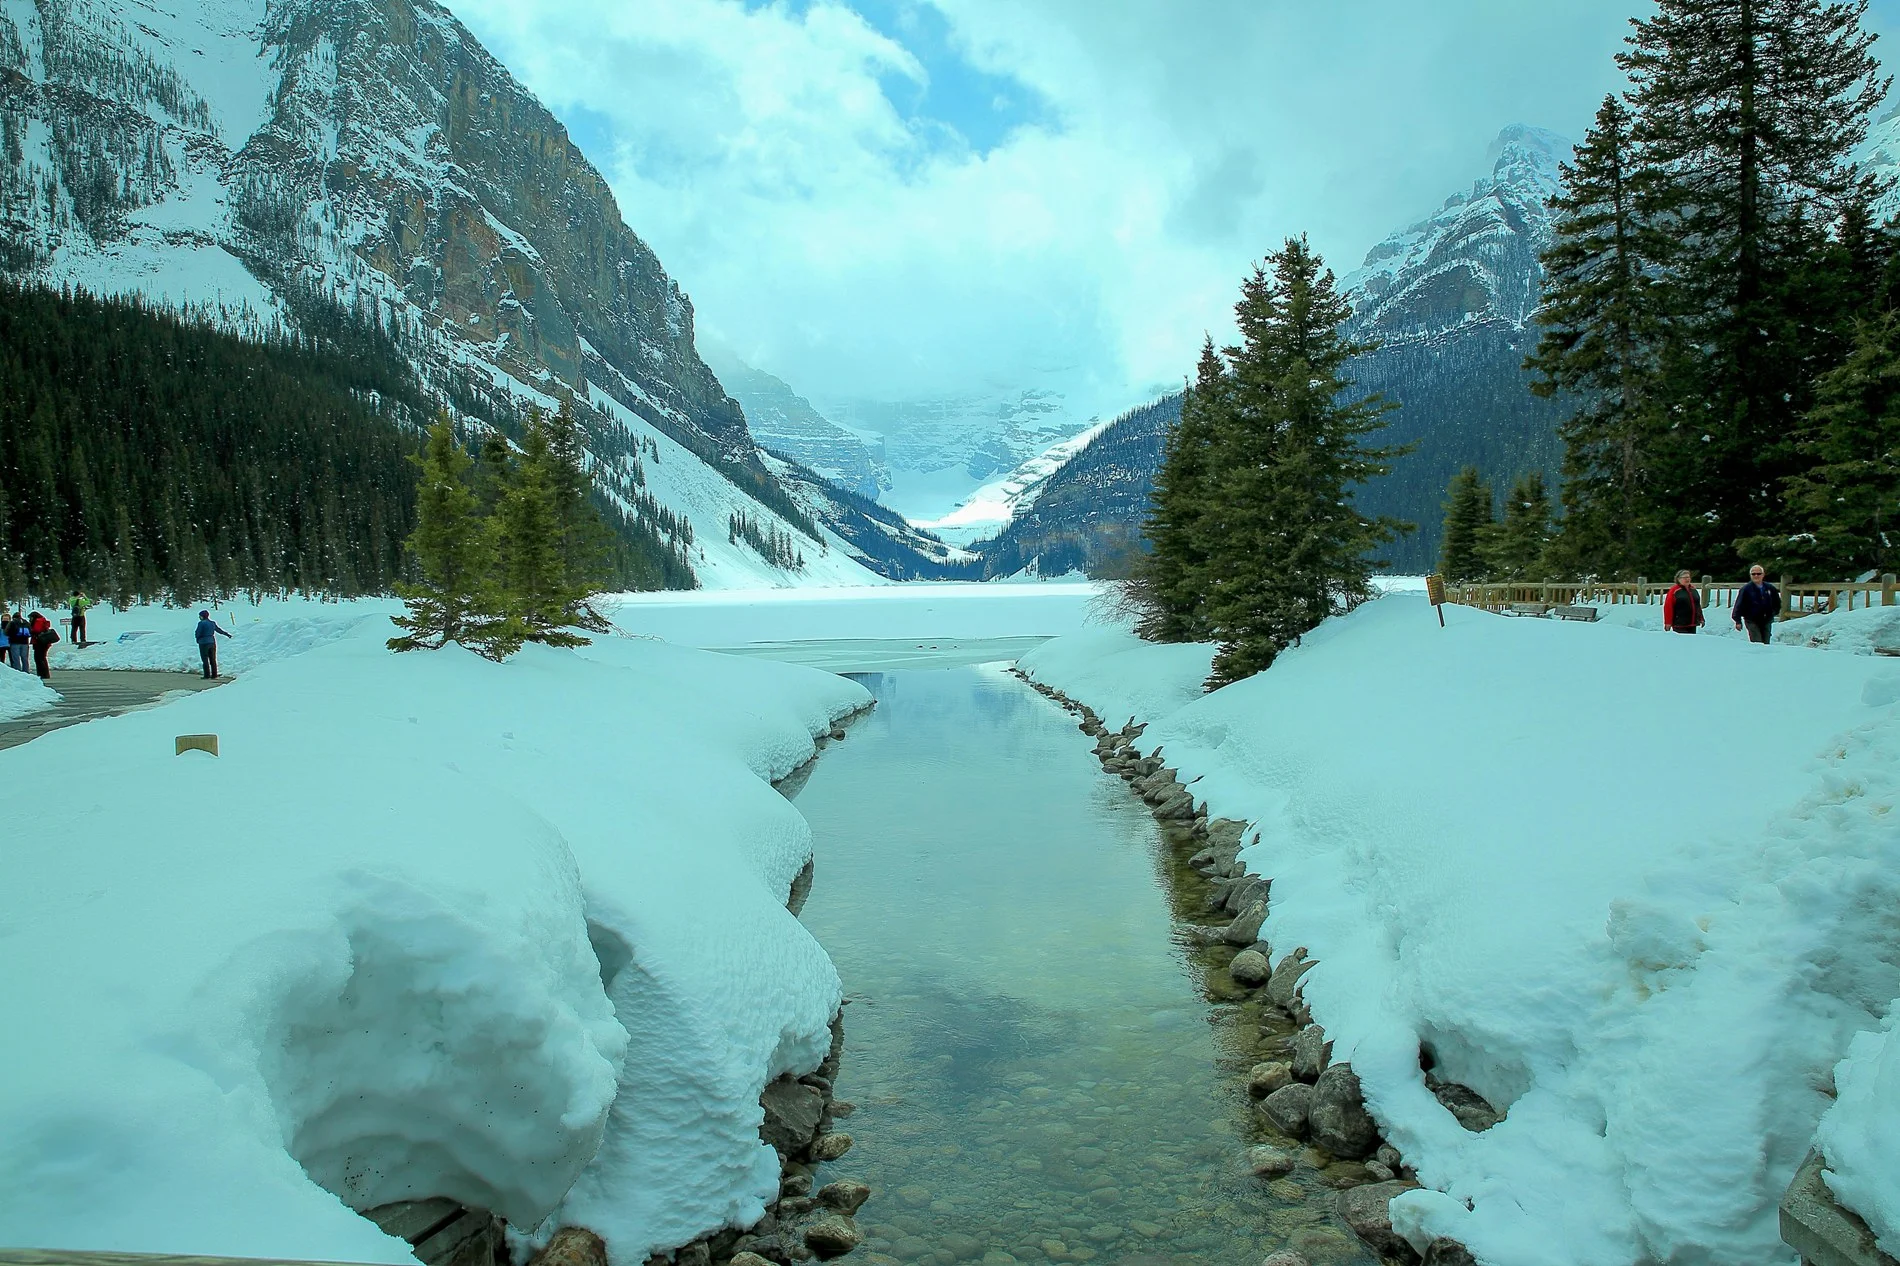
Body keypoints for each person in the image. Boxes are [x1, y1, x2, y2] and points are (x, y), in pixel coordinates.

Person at [1731, 565, 1782, 644]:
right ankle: (1757, 655)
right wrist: (1737, 621)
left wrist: (1773, 613)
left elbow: (1777, 602)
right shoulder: (1746, 589)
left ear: (1763, 575)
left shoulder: (1769, 588)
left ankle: (1765, 656)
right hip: (1751, 620)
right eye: (1753, 574)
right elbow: (1739, 605)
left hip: (1766, 620)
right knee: (1757, 642)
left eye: (1758, 574)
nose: (1756, 576)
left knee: (1766, 642)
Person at [1663, 569, 1705, 634]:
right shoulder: (1674, 590)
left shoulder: (1693, 589)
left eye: (1688, 577)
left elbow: (1697, 605)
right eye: (1684, 577)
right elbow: (1668, 607)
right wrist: (1668, 623)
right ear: (1678, 579)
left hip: (1692, 623)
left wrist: (1701, 618)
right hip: (1679, 624)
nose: (1687, 579)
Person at [195, 610, 233, 679]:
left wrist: (197, 639)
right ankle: (214, 674)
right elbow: (218, 630)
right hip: (212, 642)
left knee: (205, 659)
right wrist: (227, 634)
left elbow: (198, 632)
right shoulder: (212, 623)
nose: (199, 617)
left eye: (200, 616)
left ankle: (207, 675)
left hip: (203, 642)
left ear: (202, 616)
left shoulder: (201, 623)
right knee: (213, 659)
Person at [27, 610, 57, 680]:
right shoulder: (42, 620)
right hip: (44, 642)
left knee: (39, 658)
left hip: (40, 642)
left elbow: (36, 630)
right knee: (42, 658)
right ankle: (44, 673)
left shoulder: (38, 621)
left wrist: (30, 629)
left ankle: (42, 673)